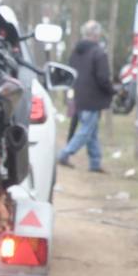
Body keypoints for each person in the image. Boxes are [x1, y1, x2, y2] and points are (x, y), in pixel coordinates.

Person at [58, 20, 114, 173]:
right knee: (86, 131)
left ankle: (95, 163)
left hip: (79, 96)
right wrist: (111, 90)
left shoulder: (75, 52)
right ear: (96, 35)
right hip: (93, 98)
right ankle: (64, 154)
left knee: (92, 131)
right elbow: (103, 78)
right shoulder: (99, 53)